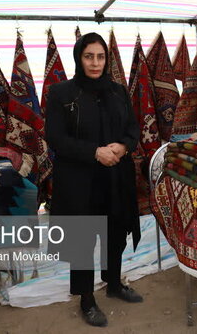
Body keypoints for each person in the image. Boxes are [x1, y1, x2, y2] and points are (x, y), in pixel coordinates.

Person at [45, 32, 142, 327]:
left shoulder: (117, 92)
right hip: (79, 181)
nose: (95, 63)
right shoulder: (61, 93)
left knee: (115, 233)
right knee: (83, 240)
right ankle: (86, 299)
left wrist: (123, 146)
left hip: (115, 177)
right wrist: (95, 152)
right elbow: (56, 138)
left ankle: (113, 283)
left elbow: (133, 128)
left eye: (100, 57)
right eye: (89, 56)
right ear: (79, 58)